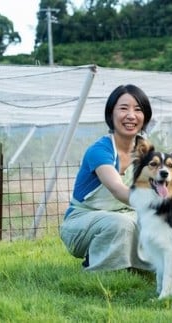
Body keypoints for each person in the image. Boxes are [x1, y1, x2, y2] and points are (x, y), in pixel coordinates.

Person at [60, 84, 154, 271]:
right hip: (83, 221)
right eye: (123, 108)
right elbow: (117, 189)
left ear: (145, 117)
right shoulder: (100, 150)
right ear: (111, 114)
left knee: (160, 224)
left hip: (126, 214)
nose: (131, 115)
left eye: (138, 110)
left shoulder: (146, 151)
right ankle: (100, 267)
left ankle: (145, 268)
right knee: (122, 224)